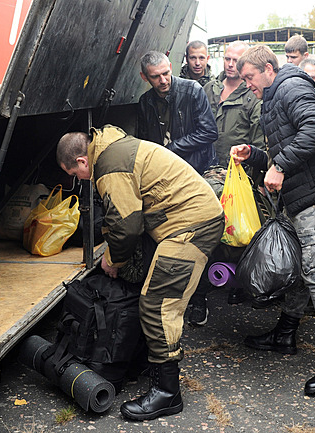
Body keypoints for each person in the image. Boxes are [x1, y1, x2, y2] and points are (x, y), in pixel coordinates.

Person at [56, 126, 224, 420]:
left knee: (158, 304)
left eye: (73, 173)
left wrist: (113, 260)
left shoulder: (108, 166)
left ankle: (168, 393)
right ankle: (152, 364)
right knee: (151, 296)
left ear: (82, 162)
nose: (76, 179)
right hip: (185, 219)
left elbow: (126, 225)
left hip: (190, 225)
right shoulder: (112, 148)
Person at [232, 45, 315, 395]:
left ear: (268, 68)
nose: (246, 85)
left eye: (249, 78)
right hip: (303, 192)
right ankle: (285, 333)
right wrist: (256, 155)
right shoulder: (275, 94)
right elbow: (290, 142)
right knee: (302, 265)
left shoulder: (290, 86)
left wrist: (279, 165)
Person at [185, 41, 265, 325]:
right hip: (201, 172)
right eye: (227, 58)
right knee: (202, 237)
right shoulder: (208, 89)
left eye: (236, 60)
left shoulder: (253, 96)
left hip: (236, 177)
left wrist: (252, 179)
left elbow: (258, 142)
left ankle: (236, 283)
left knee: (235, 236)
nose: (230, 64)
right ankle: (198, 298)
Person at [137, 50, 217, 175]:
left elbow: (209, 132)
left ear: (170, 67)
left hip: (197, 169)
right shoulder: (145, 101)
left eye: (165, 73)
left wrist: (172, 148)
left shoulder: (193, 90)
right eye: (155, 76)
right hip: (165, 170)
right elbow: (143, 141)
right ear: (144, 77)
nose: (163, 80)